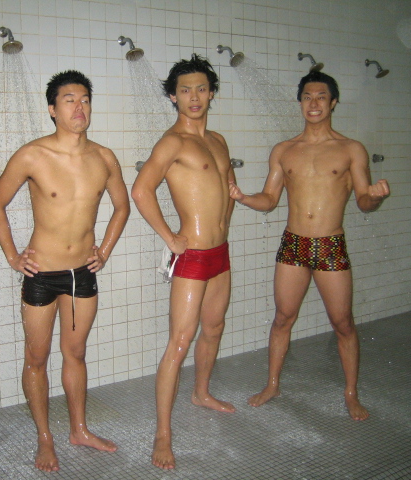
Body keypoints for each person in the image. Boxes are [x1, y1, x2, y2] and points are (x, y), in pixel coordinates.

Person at [229, 70, 390, 421]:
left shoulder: (350, 150)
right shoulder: (284, 151)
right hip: (294, 244)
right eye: (307, 97)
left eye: (321, 97)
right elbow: (269, 199)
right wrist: (243, 198)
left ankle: (351, 393)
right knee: (282, 318)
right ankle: (272, 384)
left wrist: (375, 197)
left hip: (330, 245)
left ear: (333, 102)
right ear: (300, 102)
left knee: (343, 323)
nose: (313, 103)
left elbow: (363, 200)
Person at [0, 70, 129, 472]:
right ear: (52, 109)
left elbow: (122, 207)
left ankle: (79, 429)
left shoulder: (104, 157)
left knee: (76, 353)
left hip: (81, 274)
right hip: (41, 275)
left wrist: (104, 251)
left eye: (84, 99)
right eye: (69, 100)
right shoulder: (32, 155)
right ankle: (44, 437)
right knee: (37, 357)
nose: (79, 107)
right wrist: (13, 256)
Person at [131, 54, 236, 470]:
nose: (194, 97)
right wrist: (170, 237)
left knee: (214, 327)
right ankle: (163, 433)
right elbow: (141, 190)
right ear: (173, 97)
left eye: (201, 89)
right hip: (192, 256)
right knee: (179, 341)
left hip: (220, 253)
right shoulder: (173, 142)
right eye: (185, 90)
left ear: (211, 94)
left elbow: (228, 189)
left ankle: (201, 392)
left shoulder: (219, 141)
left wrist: (224, 223)